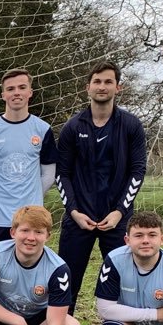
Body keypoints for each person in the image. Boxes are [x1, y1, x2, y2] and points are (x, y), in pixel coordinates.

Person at [56, 61, 148, 310]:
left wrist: (119, 211)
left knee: (124, 284)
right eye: (97, 81)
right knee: (66, 283)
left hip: (117, 220)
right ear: (87, 87)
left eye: (108, 81)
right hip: (78, 219)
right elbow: (61, 174)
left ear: (118, 87)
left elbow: (138, 171)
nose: (102, 86)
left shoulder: (130, 126)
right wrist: (74, 212)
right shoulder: (73, 127)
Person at [0, 68, 56, 261]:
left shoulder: (42, 130)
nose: (16, 92)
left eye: (21, 87)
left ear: (30, 92)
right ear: (3, 95)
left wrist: (30, 198)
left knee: (29, 274)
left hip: (31, 220)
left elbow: (48, 176)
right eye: (10, 89)